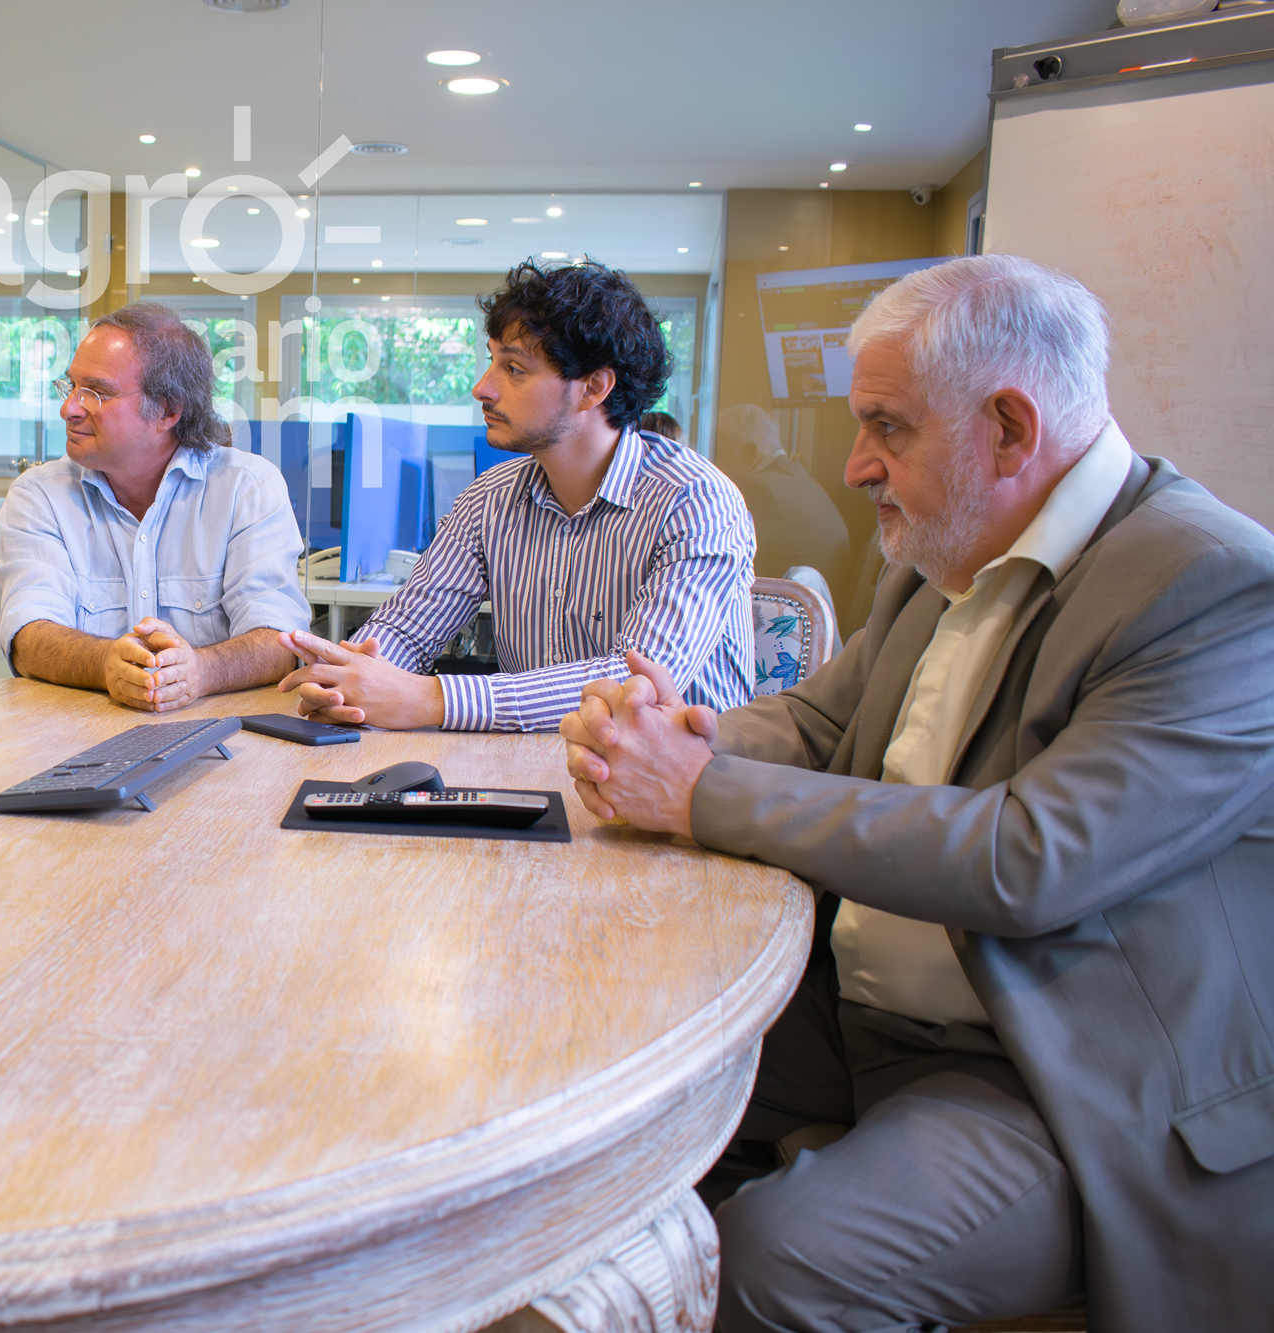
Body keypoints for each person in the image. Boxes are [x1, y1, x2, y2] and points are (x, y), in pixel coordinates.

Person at [558, 255, 1274, 1332]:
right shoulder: (943, 551)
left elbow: (1032, 855)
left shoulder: (1214, 586)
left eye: (885, 427)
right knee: (592, 1122)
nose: (853, 466)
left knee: (765, 1269)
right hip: (856, 1014)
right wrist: (679, 734)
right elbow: (815, 725)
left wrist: (699, 790)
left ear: (1007, 429)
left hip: (1051, 1076)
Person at [277, 259, 754, 732]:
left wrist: (432, 698)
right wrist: (348, 678)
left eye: (514, 368)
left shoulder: (696, 502)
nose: (481, 387)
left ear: (593, 387)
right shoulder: (489, 500)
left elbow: (636, 686)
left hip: (683, 787)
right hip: (525, 768)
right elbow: (406, 630)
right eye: (491, 361)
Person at [0, 302, 309, 712]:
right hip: (75, 735)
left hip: (221, 740)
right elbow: (28, 635)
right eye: (71, 387)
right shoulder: (39, 495)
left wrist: (200, 670)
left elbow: (280, 639)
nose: (69, 408)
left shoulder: (247, 488)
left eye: (96, 393)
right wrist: (105, 663)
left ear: (167, 410)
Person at [714, 403, 851, 593]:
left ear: (749, 453)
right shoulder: (804, 482)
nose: (715, 467)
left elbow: (725, 567)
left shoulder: (761, 490)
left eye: (719, 455)